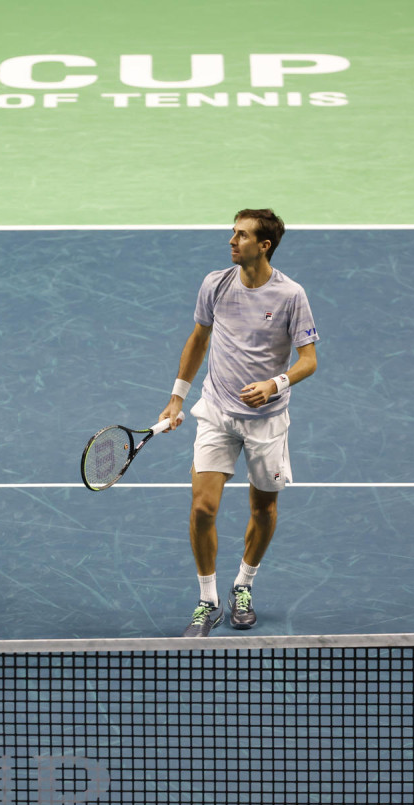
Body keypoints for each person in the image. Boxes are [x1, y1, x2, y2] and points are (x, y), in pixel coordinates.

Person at [158, 209, 319, 637]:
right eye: (233, 233)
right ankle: (207, 600)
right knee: (202, 506)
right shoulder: (216, 283)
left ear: (263, 245)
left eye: (242, 235)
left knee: (263, 507)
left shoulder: (291, 295)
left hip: (267, 420)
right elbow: (198, 338)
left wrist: (275, 383)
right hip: (217, 411)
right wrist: (177, 397)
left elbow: (309, 361)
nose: (232, 240)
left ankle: (243, 585)